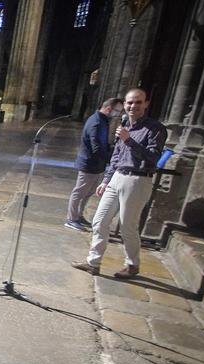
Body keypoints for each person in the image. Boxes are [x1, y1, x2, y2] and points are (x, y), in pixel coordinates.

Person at [72, 88, 168, 279]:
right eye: (130, 102)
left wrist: (129, 141)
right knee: (100, 221)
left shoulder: (155, 128)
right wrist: (106, 180)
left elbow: (152, 159)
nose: (133, 106)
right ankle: (93, 263)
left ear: (146, 104)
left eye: (138, 102)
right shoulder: (125, 125)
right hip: (117, 177)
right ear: (124, 105)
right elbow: (117, 156)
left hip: (137, 179)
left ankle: (132, 265)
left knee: (127, 226)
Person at [65, 97, 124, 232]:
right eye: (118, 111)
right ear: (109, 109)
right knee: (79, 192)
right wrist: (111, 159)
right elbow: (96, 147)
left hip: (97, 164)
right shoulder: (96, 122)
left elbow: (103, 144)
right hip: (89, 163)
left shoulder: (103, 120)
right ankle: (71, 219)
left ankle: (79, 215)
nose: (118, 115)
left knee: (88, 192)